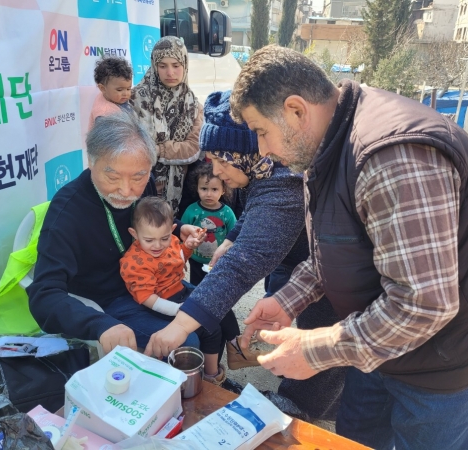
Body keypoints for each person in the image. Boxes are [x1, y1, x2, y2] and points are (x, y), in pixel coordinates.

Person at [230, 45, 468, 450]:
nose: (262, 150)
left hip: (453, 360)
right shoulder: (327, 141)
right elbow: (338, 246)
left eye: (261, 130)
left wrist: (315, 350)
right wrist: (288, 301)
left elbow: (425, 304)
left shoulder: (390, 159)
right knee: (358, 440)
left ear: (297, 110)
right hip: (380, 340)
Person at [144, 91, 346, 420]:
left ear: (247, 152)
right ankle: (327, 397)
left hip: (330, 274)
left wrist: (179, 326)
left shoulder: (284, 183)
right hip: (311, 265)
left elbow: (242, 266)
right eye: (211, 160)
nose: (217, 172)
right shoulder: (264, 169)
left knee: (320, 332)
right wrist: (233, 237)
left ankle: (301, 410)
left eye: (223, 161)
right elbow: (257, 210)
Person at [28, 112, 205, 354]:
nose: (126, 190)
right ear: (91, 162)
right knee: (185, 342)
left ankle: (213, 378)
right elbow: (43, 294)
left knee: (212, 307)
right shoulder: (67, 213)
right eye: (112, 176)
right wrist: (99, 325)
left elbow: (148, 217)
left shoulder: (145, 184)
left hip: (154, 280)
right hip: (108, 301)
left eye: (138, 177)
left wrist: (178, 225)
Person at [119, 196, 227, 384]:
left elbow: (177, 259)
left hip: (180, 292)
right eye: (149, 240)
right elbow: (147, 299)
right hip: (161, 305)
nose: (158, 245)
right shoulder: (133, 263)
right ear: (134, 234)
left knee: (214, 323)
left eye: (164, 238)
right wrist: (179, 310)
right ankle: (189, 379)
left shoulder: (171, 242)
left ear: (172, 230)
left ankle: (213, 378)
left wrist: (187, 248)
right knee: (194, 334)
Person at [131, 36, 203, 213]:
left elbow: (193, 148)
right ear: (154, 66)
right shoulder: (136, 98)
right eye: (162, 66)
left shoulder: (193, 104)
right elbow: (134, 145)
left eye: (176, 65)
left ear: (185, 65)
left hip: (180, 191)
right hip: (140, 185)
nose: (170, 72)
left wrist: (158, 150)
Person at [180, 162, 237, 285]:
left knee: (216, 288)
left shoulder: (227, 213)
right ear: (197, 188)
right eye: (204, 189)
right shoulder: (191, 210)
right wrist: (181, 257)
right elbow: (181, 235)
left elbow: (234, 235)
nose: (209, 194)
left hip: (219, 261)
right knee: (196, 287)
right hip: (196, 260)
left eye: (214, 189)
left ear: (223, 190)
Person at [88, 56, 135, 130]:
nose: (125, 94)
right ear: (102, 88)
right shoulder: (104, 114)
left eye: (128, 89)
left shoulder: (113, 98)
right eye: (119, 90)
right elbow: (106, 140)